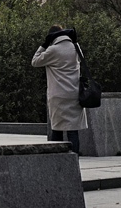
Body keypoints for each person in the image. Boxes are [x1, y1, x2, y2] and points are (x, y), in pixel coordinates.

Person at [31, 25, 87, 154]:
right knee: (73, 130)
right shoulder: (76, 48)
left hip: (58, 95)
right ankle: (74, 160)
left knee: (57, 129)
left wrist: (43, 45)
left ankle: (57, 159)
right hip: (74, 94)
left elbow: (35, 61)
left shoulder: (53, 50)